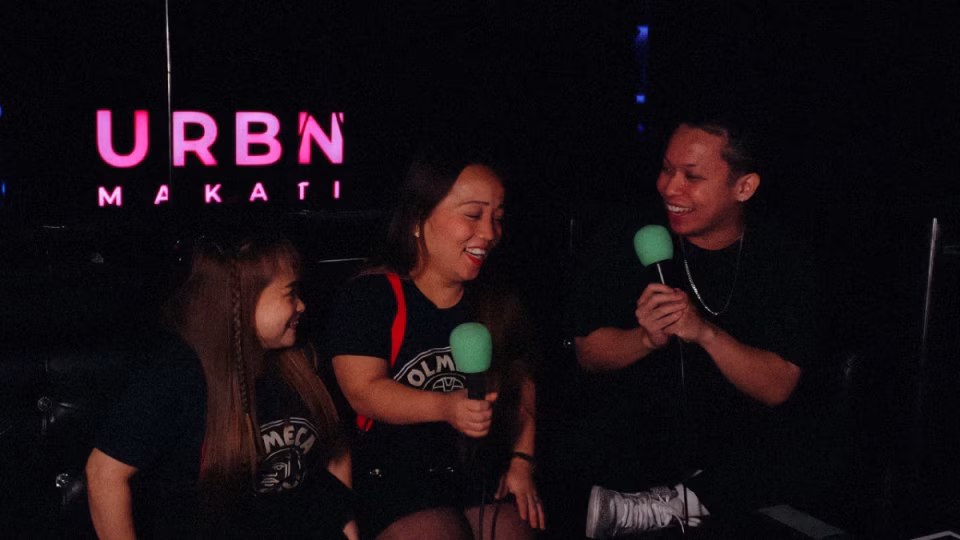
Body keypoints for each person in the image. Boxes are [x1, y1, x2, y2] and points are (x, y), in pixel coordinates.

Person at [569, 115, 818, 537]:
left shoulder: (784, 258)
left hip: (740, 459)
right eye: (667, 169)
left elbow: (779, 385)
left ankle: (688, 502)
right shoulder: (627, 234)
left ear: (744, 187)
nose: (670, 187)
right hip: (636, 445)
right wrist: (646, 339)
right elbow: (587, 352)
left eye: (692, 176)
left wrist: (705, 332)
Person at [324, 146, 545, 540]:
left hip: (474, 474)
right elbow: (363, 392)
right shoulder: (371, 296)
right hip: (395, 479)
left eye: (497, 218)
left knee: (517, 529)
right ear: (417, 218)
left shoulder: (495, 297)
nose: (490, 233)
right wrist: (446, 406)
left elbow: (521, 381)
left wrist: (521, 461)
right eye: (473, 215)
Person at [85, 234, 358, 539]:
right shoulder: (177, 375)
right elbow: (104, 474)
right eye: (290, 293)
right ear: (242, 300)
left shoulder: (298, 362)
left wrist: (347, 530)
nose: (302, 305)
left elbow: (335, 453)